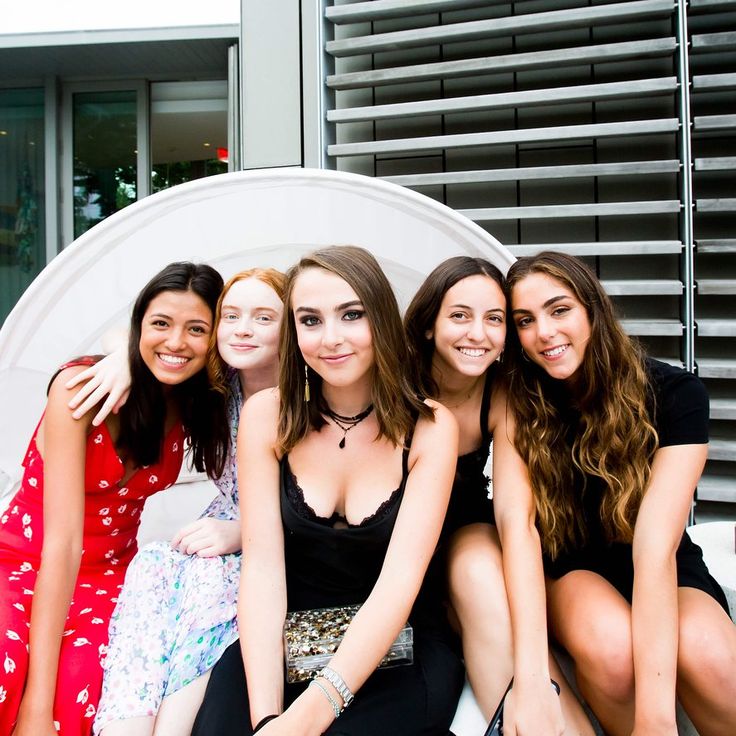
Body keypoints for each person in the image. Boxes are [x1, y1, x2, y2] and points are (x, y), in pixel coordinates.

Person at [192, 245, 464, 735]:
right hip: (298, 636)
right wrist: (268, 717)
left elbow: (399, 584)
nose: (331, 339)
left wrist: (307, 718)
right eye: (310, 320)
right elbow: (263, 570)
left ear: (380, 318)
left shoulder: (430, 426)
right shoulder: (266, 416)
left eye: (352, 315)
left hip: (398, 643)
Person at [505, 251, 736, 736]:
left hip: (658, 556)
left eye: (559, 309)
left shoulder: (676, 392)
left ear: (592, 308)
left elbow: (656, 548)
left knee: (709, 656)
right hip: (569, 565)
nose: (544, 332)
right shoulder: (519, 401)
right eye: (525, 321)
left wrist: (658, 720)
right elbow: (519, 524)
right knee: (614, 650)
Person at [0, 262, 228, 736]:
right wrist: (36, 708)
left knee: (92, 682)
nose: (176, 342)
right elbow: (60, 547)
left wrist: (128, 353)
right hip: (29, 563)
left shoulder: (192, 401)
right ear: (138, 325)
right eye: (161, 324)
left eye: (197, 329)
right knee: (7, 664)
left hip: (113, 575)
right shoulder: (79, 390)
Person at [85, 268, 285, 735]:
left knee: (209, 586)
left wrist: (242, 533)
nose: (242, 328)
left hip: (280, 539)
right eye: (230, 316)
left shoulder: (309, 395)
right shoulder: (218, 388)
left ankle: (172, 728)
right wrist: (121, 356)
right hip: (218, 525)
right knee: (155, 565)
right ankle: (126, 727)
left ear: (292, 327)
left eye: (262, 317)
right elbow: (147, 334)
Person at [404, 257, 593, 735]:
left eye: (495, 319)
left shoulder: (503, 391)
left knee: (480, 570)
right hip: (390, 542)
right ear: (429, 324)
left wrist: (532, 677)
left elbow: (516, 520)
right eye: (460, 315)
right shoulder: (394, 383)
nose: (478, 333)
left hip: (463, 536)